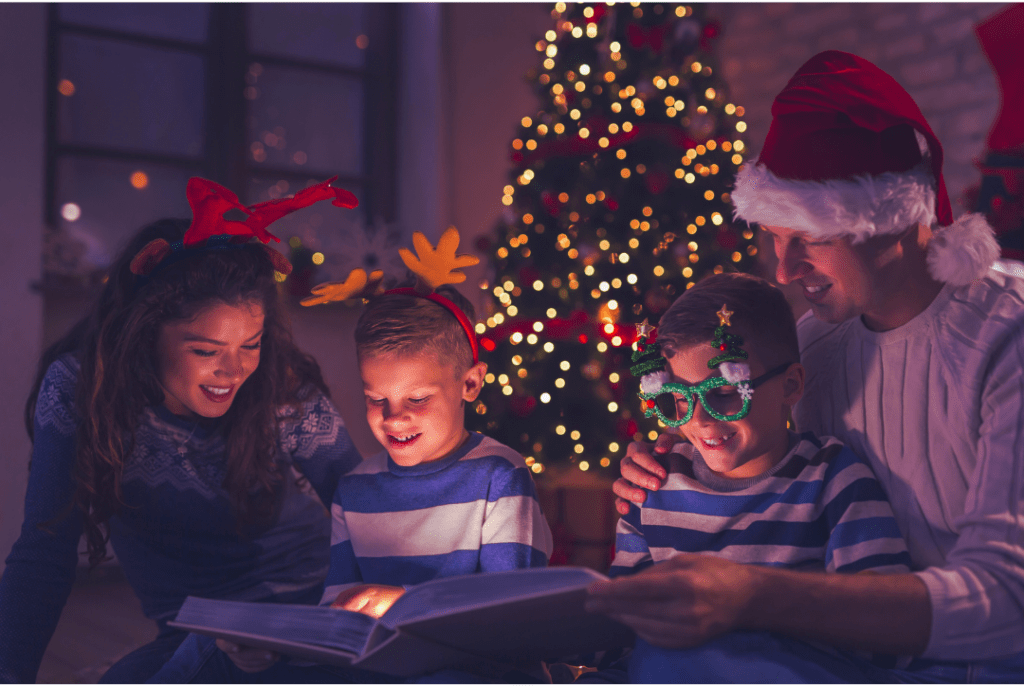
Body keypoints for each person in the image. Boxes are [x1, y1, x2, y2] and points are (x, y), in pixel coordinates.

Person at [592, 50, 1024, 682]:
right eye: (775, 237)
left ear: (893, 216)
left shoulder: (1006, 333)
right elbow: (764, 446)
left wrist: (754, 594)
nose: (785, 271)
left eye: (811, 239)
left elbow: (1008, 601)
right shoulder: (814, 349)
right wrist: (674, 453)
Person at [0, 177, 364, 683]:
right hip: (191, 632)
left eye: (250, 344)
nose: (234, 371)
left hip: (303, 612)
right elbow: (43, 553)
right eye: (206, 351)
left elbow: (368, 510)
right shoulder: (79, 390)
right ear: (146, 334)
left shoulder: (281, 388)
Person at [149, 234, 554, 683]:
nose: (394, 417)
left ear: (471, 385)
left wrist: (403, 602)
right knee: (211, 649)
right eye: (376, 398)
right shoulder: (356, 489)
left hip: (474, 670)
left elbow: (510, 613)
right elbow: (338, 613)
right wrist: (268, 653)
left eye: (417, 399)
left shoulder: (499, 476)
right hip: (381, 667)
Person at [591, 272, 912, 682]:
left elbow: (886, 631)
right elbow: (621, 632)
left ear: (791, 384)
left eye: (724, 393)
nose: (700, 420)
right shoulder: (653, 487)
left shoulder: (832, 479)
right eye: (676, 401)